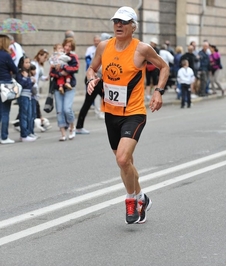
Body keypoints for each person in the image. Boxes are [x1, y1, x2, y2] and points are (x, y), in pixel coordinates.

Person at [86, 6, 169, 224]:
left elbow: (164, 67)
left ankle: (132, 199)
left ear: (134, 26)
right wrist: (92, 78)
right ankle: (142, 197)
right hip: (110, 114)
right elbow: (91, 68)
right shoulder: (104, 46)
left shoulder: (141, 49)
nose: (118, 25)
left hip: (134, 113)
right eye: (116, 21)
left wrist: (158, 92)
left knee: (122, 159)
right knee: (125, 163)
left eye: (123, 22)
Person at [76, 33, 111, 134]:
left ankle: (79, 126)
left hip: (99, 80)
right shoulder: (101, 51)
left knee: (109, 100)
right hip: (94, 80)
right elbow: (97, 67)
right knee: (90, 102)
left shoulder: (107, 50)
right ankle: (79, 126)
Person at [50, 37, 79, 141]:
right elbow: (51, 72)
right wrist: (59, 73)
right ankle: (62, 133)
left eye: (69, 46)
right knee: (59, 111)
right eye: (65, 45)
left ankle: (72, 126)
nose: (67, 48)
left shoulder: (72, 57)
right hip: (58, 86)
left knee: (67, 109)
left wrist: (64, 68)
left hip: (70, 86)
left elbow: (76, 68)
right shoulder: (56, 56)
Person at [16, 55, 36, 142]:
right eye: (26, 62)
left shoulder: (27, 73)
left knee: (29, 115)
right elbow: (22, 84)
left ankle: (27, 133)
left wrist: (32, 81)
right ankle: (24, 135)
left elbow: (28, 85)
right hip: (23, 96)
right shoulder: (21, 73)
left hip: (29, 95)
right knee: (24, 115)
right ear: (22, 63)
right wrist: (28, 80)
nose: (28, 64)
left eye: (29, 62)